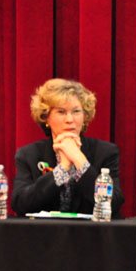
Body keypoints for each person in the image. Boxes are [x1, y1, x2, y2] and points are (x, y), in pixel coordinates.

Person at [12, 78, 124, 216]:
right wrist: (63, 168)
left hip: (91, 235)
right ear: (46, 118)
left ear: (84, 117)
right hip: (43, 235)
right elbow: (20, 204)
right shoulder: (29, 155)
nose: (70, 119)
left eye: (76, 111)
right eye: (61, 112)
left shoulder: (106, 152)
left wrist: (79, 161)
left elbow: (114, 204)